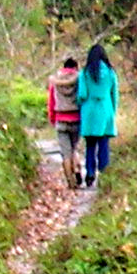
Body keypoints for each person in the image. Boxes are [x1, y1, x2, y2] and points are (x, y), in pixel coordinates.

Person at [77, 40, 120, 189]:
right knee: (104, 145)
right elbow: (115, 95)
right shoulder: (110, 72)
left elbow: (82, 94)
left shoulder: (85, 73)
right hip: (106, 109)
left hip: (89, 111)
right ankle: (105, 174)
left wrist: (80, 103)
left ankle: (89, 174)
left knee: (90, 146)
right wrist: (112, 111)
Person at [45, 55, 82, 185]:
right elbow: (83, 97)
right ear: (75, 67)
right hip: (76, 118)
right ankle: (77, 170)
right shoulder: (79, 79)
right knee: (74, 148)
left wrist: (52, 118)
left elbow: (51, 101)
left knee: (65, 152)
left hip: (61, 119)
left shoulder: (55, 81)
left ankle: (70, 181)